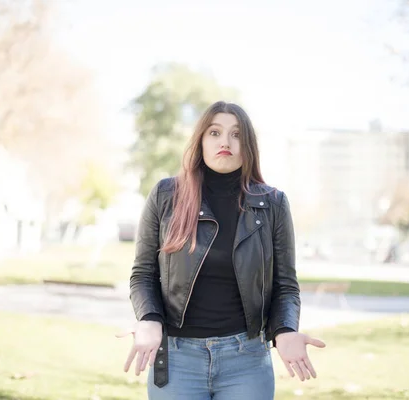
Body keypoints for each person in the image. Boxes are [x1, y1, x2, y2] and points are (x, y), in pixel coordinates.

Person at [120, 101, 325, 399]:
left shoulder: (273, 204)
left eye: (236, 134)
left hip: (246, 361)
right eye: (214, 132)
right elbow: (143, 275)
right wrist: (149, 318)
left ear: (248, 145)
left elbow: (286, 286)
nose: (225, 142)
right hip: (178, 359)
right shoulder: (166, 195)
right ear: (200, 140)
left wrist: (284, 330)